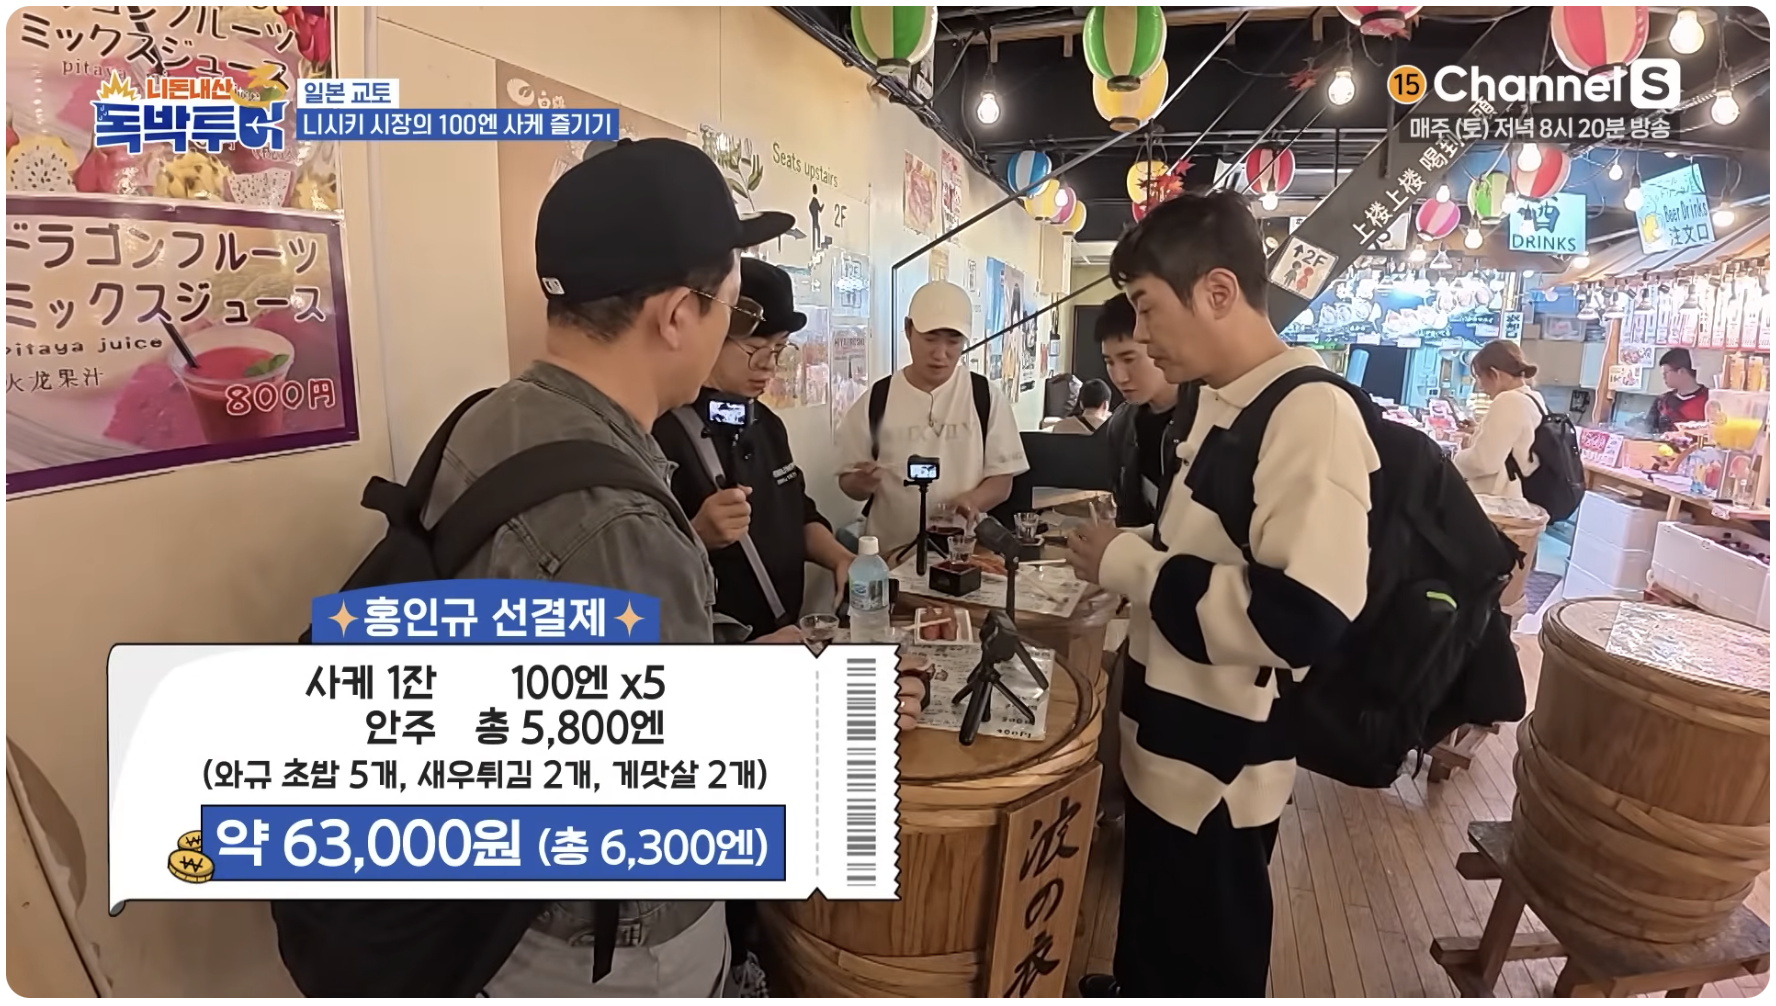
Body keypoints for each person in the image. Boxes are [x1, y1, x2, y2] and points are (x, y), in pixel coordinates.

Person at [381, 138, 922, 998]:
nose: (742, 337)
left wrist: (752, 658)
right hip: (611, 944)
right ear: (676, 316)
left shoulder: (489, 420)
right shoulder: (622, 521)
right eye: (733, 307)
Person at [1064, 191, 1378, 998]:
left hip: (1219, 772)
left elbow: (1303, 616)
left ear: (1216, 291)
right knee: (1154, 934)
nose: (1140, 336)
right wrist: (1132, 552)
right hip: (1172, 745)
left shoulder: (1310, 413)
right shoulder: (1221, 402)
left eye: (1146, 308)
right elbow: (1200, 548)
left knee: (1207, 961)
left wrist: (1128, 564)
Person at [654, 257, 855, 639]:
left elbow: (799, 514)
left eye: (779, 349)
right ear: (713, 335)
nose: (769, 366)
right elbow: (635, 570)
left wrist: (841, 558)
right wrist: (697, 534)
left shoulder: (767, 424)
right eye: (755, 348)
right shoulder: (661, 433)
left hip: (787, 634)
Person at [835, 280, 1029, 550]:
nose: (940, 354)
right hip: (889, 553)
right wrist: (862, 482)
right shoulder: (877, 399)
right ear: (908, 330)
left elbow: (1002, 480)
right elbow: (848, 482)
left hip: (962, 551)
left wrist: (971, 501)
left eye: (953, 341)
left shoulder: (984, 396)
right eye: (929, 339)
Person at [1094, 293, 1195, 528]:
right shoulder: (1121, 424)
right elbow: (1128, 512)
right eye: (1109, 362)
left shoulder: (1207, 418)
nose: (1119, 377)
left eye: (1129, 359)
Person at [1453, 339, 1549, 499]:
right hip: (1520, 499)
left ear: (1494, 374)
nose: (1480, 386)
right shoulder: (1532, 398)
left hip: (1499, 502)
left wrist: (1455, 459)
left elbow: (1483, 462)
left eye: (1479, 377)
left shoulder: (1508, 400)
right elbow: (1515, 443)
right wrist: (1478, 431)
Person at [1647, 346, 1711, 433]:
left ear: (1682, 372)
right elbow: (1647, 431)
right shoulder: (1662, 401)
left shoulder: (1709, 399)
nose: (1663, 377)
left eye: (1666, 373)